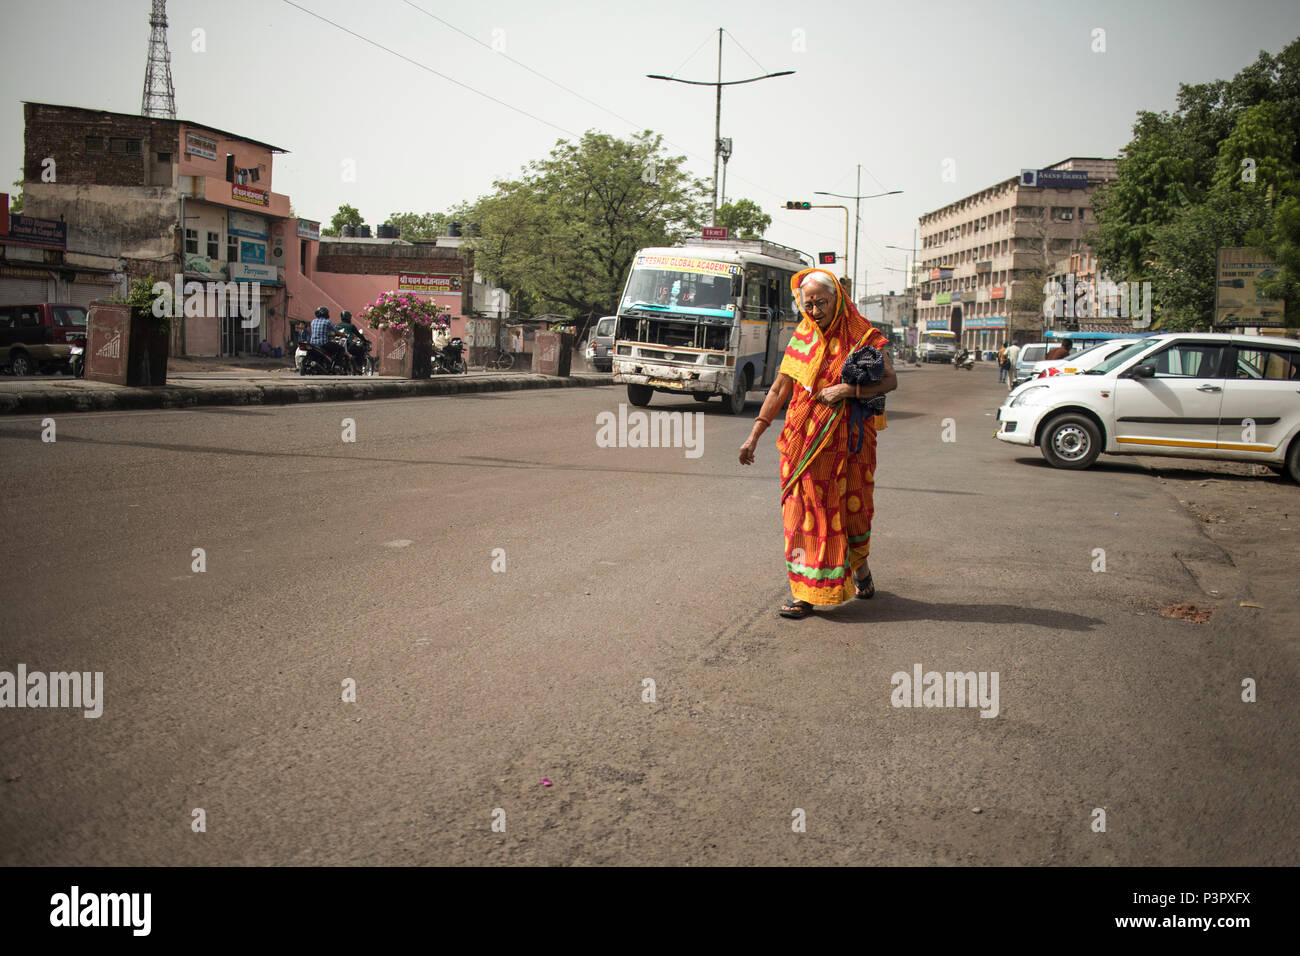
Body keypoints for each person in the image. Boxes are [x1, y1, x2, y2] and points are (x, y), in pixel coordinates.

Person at [738, 268, 898, 619]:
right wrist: (754, 435)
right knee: (802, 515)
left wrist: (846, 390)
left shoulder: (863, 335)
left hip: (850, 445)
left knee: (851, 512)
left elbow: (889, 381)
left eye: (820, 303)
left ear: (837, 298)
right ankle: (805, 592)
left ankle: (860, 571)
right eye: (807, 305)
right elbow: (780, 388)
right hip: (802, 443)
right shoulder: (802, 337)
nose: (814, 311)